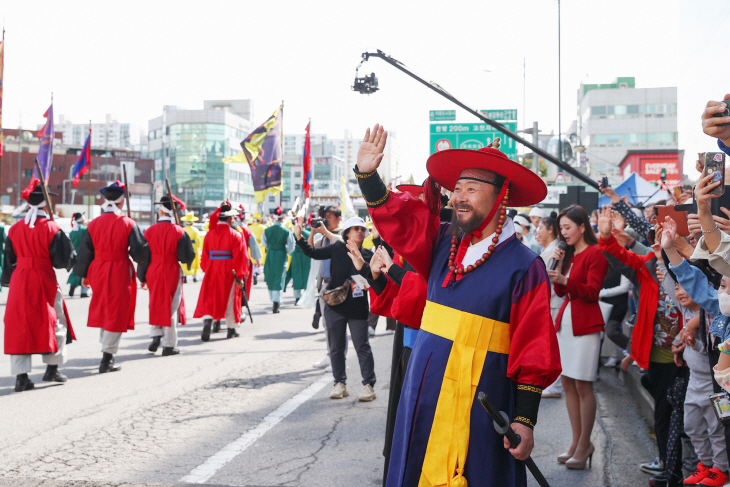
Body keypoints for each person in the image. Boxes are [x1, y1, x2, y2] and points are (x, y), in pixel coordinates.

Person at [356, 124, 560, 487]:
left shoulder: (524, 266)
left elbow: (535, 346)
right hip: (422, 392)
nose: (458, 197)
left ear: (501, 197)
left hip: (482, 399)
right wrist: (370, 178)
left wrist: (525, 421)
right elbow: (404, 224)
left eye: (471, 188)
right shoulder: (442, 246)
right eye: (457, 189)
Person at [597, 206, 683, 486]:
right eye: (656, 237)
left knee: (684, 418)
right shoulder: (646, 266)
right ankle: (670, 468)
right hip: (659, 358)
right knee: (663, 414)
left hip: (689, 358)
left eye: (664, 237)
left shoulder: (691, 268)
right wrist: (606, 235)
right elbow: (618, 255)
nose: (658, 242)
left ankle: (677, 468)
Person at [660, 216, 729, 487]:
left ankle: (720, 468)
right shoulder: (722, 311)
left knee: (717, 430)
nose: (717, 292)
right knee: (698, 426)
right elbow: (697, 285)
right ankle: (708, 466)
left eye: (723, 286)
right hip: (709, 386)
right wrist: (668, 250)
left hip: (715, 388)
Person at [548, 205, 608, 470]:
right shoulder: (569, 255)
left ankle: (584, 444)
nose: (564, 233)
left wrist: (563, 278)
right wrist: (559, 269)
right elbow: (561, 293)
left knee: (583, 385)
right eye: (561, 228)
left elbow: (592, 291)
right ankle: (576, 443)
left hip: (585, 325)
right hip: (567, 323)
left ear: (582, 226)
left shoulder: (596, 253)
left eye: (568, 227)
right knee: (568, 383)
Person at [2, 179, 76, 391]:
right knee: (54, 321)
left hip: (19, 280)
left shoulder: (14, 229)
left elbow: (8, 261)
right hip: (43, 279)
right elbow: (65, 260)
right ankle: (52, 369)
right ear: (46, 204)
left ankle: (21, 377)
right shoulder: (52, 228)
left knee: (19, 325)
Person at [294, 215, 378, 402]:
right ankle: (339, 384)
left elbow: (377, 280)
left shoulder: (368, 256)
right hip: (335, 305)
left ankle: (368, 386)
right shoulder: (338, 247)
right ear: (347, 233)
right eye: (355, 228)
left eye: (362, 229)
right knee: (336, 348)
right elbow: (313, 253)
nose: (359, 231)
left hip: (358, 308)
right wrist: (299, 236)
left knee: (362, 347)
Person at [73, 181, 150, 374]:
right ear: (122, 203)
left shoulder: (93, 224)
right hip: (119, 269)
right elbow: (140, 252)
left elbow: (85, 252)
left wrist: (84, 275)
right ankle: (108, 356)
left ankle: (106, 349)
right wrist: (143, 265)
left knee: (105, 307)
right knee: (116, 310)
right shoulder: (128, 223)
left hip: (97, 269)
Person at [138, 194, 195, 356]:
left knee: (156, 302)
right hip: (171, 269)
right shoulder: (179, 231)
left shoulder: (148, 231)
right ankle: (169, 344)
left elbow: (143, 257)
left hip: (153, 270)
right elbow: (186, 257)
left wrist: (142, 277)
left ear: (161, 212)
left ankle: (156, 335)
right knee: (171, 306)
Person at [193, 201, 248, 340]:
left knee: (211, 296)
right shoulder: (236, 235)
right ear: (230, 218)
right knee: (230, 298)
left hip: (212, 267)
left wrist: (206, 268)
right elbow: (240, 258)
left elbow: (204, 255)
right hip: (229, 269)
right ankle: (231, 328)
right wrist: (240, 277)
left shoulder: (209, 235)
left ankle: (208, 320)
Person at [535, 212, 565, 399]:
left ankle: (556, 385)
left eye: (540, 227)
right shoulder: (547, 251)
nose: (536, 232)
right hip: (550, 302)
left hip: (554, 301)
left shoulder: (553, 251)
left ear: (551, 230)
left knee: (556, 345)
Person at [262, 206, 295, 313]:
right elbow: (291, 246)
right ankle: (277, 301)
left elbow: (264, 243)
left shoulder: (267, 230)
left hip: (271, 254)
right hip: (281, 254)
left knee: (270, 275)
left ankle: (273, 299)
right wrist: (285, 250)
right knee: (280, 277)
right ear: (282, 218)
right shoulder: (286, 231)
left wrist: (271, 247)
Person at [287, 221, 311, 304]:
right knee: (306, 276)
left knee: (296, 276)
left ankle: (297, 297)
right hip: (307, 256)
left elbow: (289, 246)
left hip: (296, 257)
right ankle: (306, 296)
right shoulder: (309, 233)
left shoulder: (292, 234)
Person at [67, 212, 89, 298]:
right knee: (85, 272)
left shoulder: (72, 232)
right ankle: (84, 292)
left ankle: (72, 285)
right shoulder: (84, 230)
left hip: (75, 254)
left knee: (76, 271)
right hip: (85, 254)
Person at [180, 211, 203, 283]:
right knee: (194, 261)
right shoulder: (195, 230)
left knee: (184, 261)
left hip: (184, 248)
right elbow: (198, 240)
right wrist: (201, 247)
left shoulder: (183, 229)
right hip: (193, 247)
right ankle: (194, 277)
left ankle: (185, 276)